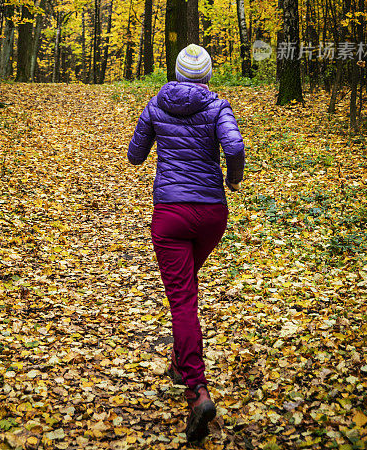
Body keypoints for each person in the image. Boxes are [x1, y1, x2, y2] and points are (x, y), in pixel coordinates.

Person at [127, 44, 245, 443]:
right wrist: (232, 179)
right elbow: (235, 147)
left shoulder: (156, 104)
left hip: (171, 215)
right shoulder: (217, 106)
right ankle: (181, 360)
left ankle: (196, 390)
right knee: (186, 288)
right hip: (211, 214)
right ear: (207, 75)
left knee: (182, 297)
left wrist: (155, 137)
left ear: (177, 74)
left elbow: (135, 155)